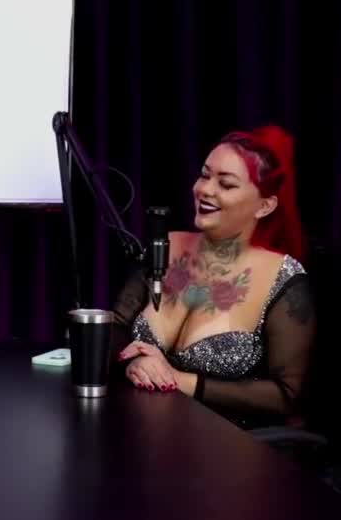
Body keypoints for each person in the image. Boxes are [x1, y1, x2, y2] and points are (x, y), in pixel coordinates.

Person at [112, 125, 316, 428]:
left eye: (226, 184)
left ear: (265, 206)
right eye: (204, 175)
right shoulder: (167, 246)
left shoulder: (283, 278)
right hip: (142, 426)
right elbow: (114, 327)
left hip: (225, 442)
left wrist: (178, 380)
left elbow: (287, 395)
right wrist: (134, 361)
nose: (205, 190)